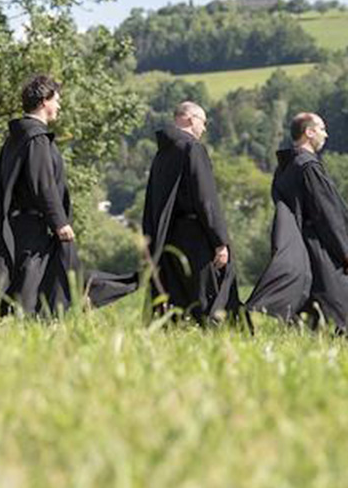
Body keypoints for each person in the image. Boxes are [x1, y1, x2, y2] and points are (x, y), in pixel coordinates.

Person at [0, 75, 138, 317]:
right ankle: (17, 322)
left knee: (36, 277)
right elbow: (43, 185)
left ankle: (18, 321)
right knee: (33, 278)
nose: (59, 106)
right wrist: (59, 222)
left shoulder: (15, 138)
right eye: (56, 100)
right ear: (43, 101)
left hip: (20, 222)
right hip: (36, 224)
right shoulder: (36, 139)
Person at [142, 101, 241, 324]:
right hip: (196, 237)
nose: (204, 128)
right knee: (205, 301)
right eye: (203, 122)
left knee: (178, 300)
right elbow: (206, 199)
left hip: (169, 237)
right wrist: (220, 241)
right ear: (189, 118)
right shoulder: (192, 148)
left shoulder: (162, 154)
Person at [248, 113, 348, 329]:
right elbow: (328, 214)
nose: (326, 134)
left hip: (300, 245)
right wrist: (345, 250)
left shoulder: (286, 166)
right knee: (336, 306)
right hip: (321, 246)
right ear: (309, 132)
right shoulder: (308, 166)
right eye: (321, 129)